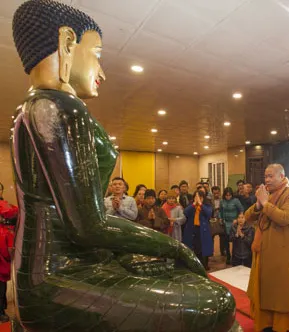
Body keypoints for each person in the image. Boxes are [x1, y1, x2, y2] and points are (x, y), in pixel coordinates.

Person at [9, 1, 235, 330]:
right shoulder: (58, 106)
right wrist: (175, 246)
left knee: (170, 272)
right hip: (63, 275)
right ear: (67, 42)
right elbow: (89, 225)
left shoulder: (28, 108)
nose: (101, 72)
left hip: (44, 270)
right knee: (218, 300)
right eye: (97, 54)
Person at [245, 164, 289, 332]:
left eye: (271, 176)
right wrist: (258, 204)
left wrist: (265, 203)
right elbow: (248, 217)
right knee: (264, 288)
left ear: (281, 176)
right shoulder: (268, 195)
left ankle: (281, 325)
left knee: (280, 291)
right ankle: (266, 323)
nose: (267, 180)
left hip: (281, 251)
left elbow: (285, 218)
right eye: (265, 177)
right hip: (263, 249)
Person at [183, 190, 213, 270]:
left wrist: (201, 204)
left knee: (202, 249)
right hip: (192, 230)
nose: (198, 199)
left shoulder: (207, 205)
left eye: (200, 197)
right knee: (192, 248)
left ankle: (203, 266)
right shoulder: (191, 206)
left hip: (202, 231)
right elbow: (185, 212)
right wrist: (193, 204)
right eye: (196, 197)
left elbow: (209, 213)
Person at [220, 187, 243, 265]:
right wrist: (220, 218)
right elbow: (220, 211)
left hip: (234, 224)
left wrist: (237, 219)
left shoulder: (236, 201)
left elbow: (241, 210)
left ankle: (234, 256)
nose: (228, 197)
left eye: (229, 195)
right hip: (225, 224)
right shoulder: (222, 201)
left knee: (234, 240)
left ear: (232, 195)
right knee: (226, 241)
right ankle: (228, 256)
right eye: (226, 195)